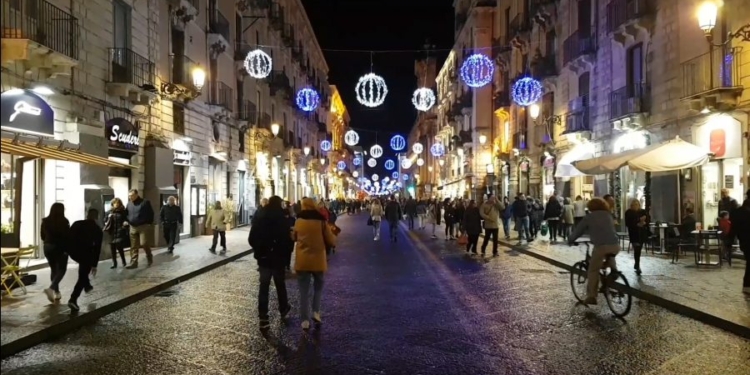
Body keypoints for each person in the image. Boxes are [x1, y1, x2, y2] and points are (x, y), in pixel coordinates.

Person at [249, 196, 292, 329]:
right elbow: (288, 241)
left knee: (264, 287)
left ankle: (263, 317)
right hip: (278, 259)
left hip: (264, 259)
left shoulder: (260, 217)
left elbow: (252, 238)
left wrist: (259, 250)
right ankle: (283, 309)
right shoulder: (282, 219)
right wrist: (286, 256)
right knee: (280, 285)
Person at [568, 197, 620, 305]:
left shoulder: (589, 217)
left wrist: (571, 239)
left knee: (593, 270)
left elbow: (579, 230)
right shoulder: (608, 215)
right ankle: (614, 272)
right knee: (610, 256)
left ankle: (592, 296)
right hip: (615, 245)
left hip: (601, 246)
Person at [293, 197, 336, 330]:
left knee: (303, 291)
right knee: (318, 287)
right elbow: (330, 240)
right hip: (318, 258)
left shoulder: (299, 221)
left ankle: (304, 320)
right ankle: (316, 312)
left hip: (303, 260)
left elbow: (294, 237)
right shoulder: (321, 221)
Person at [66, 208, 103, 312]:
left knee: (83, 273)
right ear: (96, 217)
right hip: (87, 254)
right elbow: (97, 249)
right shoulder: (97, 229)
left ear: (87, 215)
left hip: (74, 253)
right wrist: (94, 264)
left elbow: (68, 237)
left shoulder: (77, 224)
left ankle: (87, 285)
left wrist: (68, 250)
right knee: (82, 276)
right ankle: (73, 299)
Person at [40, 202, 70, 303]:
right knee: (62, 269)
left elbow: (42, 235)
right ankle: (52, 288)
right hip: (60, 247)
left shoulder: (45, 221)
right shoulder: (64, 221)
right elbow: (67, 236)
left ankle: (56, 293)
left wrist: (48, 241)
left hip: (47, 247)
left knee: (53, 269)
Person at [125, 189, 154, 269]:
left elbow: (150, 213)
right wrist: (127, 221)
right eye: (129, 196)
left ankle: (149, 256)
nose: (130, 197)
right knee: (133, 246)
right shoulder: (129, 204)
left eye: (132, 195)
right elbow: (126, 213)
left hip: (143, 226)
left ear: (137, 195)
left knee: (143, 243)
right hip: (132, 226)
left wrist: (149, 223)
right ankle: (134, 262)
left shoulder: (145, 202)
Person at [727, 189, 749, 294]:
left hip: (744, 242)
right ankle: (747, 285)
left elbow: (733, 229)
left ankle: (747, 285)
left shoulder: (738, 212)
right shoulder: (741, 212)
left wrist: (729, 242)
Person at [624, 199, 649, 275]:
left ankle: (637, 264)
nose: (635, 206)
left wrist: (644, 223)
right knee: (636, 249)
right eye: (634, 204)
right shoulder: (628, 212)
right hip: (634, 233)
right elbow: (628, 223)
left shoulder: (642, 211)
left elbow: (648, 220)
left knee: (639, 249)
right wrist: (638, 221)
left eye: (637, 204)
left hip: (641, 233)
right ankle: (637, 265)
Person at [103, 198, 128, 269]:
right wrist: (108, 218)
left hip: (120, 231)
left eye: (117, 203)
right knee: (112, 248)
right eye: (115, 203)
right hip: (111, 233)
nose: (116, 204)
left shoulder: (123, 212)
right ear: (112, 204)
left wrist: (124, 225)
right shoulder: (109, 212)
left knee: (120, 247)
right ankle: (114, 262)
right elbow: (105, 220)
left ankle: (123, 261)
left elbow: (126, 219)